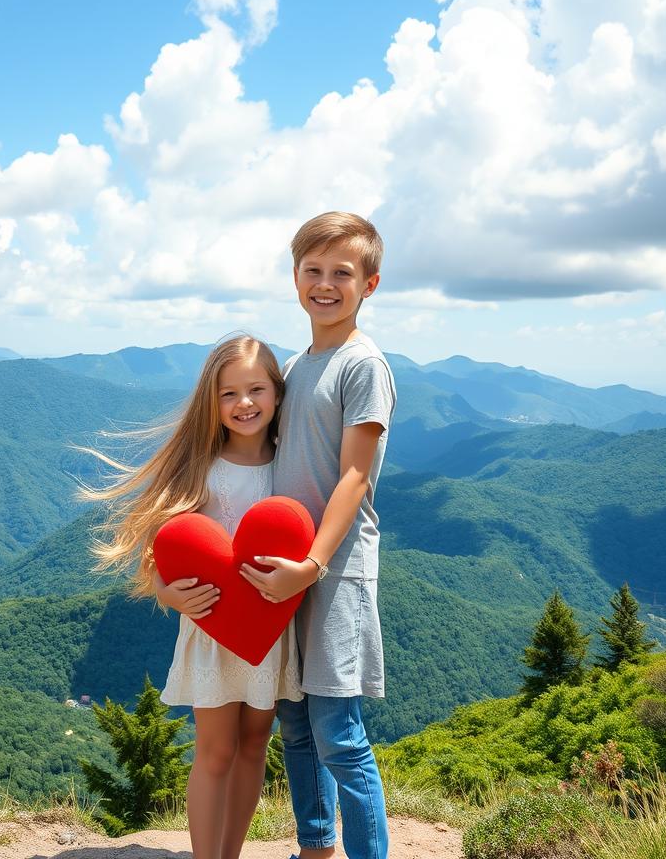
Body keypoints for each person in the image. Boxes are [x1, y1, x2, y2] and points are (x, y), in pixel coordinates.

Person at [83, 335, 303, 859]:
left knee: (254, 746)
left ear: (277, 393)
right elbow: (162, 549)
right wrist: (165, 590)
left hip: (269, 624)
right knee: (215, 750)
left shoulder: (293, 463)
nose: (244, 403)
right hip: (210, 623)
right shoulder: (201, 465)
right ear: (211, 399)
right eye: (229, 393)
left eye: (256, 389)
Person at [240, 212, 396, 859]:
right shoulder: (300, 364)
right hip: (287, 567)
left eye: (342, 273)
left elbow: (355, 477)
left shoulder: (363, 366)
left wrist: (311, 563)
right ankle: (314, 846)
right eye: (313, 271)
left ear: (370, 284)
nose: (326, 284)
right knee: (296, 722)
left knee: (338, 731)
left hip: (332, 569)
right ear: (295, 278)